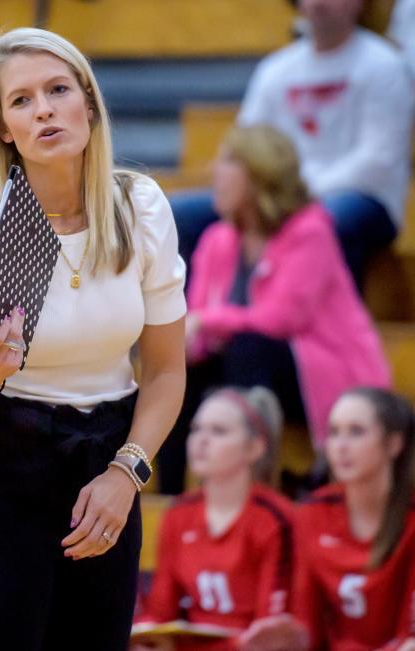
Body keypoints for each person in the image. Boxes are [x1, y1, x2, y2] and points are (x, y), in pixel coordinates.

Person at [0, 27, 187, 651]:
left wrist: (127, 472)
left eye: (58, 89)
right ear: (5, 129)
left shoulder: (141, 207)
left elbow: (168, 370)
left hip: (108, 467)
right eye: (21, 100)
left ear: (88, 106)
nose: (43, 108)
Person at [160, 125, 390, 494]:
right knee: (179, 367)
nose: (214, 172)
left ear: (259, 175)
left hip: (326, 375)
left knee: (249, 346)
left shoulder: (310, 231)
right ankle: (171, 497)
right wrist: (181, 344)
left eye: (228, 161)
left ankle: (251, 489)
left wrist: (205, 322)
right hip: (254, 369)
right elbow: (198, 325)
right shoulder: (217, 239)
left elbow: (280, 319)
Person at [172, 0, 414, 288]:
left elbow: (378, 160)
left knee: (329, 220)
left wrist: (299, 193)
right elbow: (246, 143)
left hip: (360, 199)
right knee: (179, 215)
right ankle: (192, 325)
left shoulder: (384, 65)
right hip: (276, 198)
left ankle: (322, 328)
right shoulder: (275, 70)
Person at [132, 387, 295, 651]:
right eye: (196, 429)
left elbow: (271, 631)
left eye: (218, 431)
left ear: (254, 448)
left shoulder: (275, 518)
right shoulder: (178, 513)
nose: (201, 440)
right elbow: (161, 611)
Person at [254, 387, 415, 650]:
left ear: (393, 444)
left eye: (356, 432)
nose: (340, 446)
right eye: (334, 432)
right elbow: (306, 622)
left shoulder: (410, 520)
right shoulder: (311, 513)